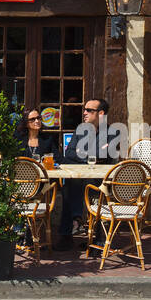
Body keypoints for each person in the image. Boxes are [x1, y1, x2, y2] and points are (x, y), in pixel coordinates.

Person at [51, 98, 115, 251]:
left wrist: (83, 153)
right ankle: (68, 232)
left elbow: (105, 154)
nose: (84, 113)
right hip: (81, 179)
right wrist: (91, 156)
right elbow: (70, 154)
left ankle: (98, 238)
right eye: (84, 109)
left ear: (100, 113)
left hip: (101, 182)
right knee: (68, 187)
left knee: (83, 190)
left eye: (89, 110)